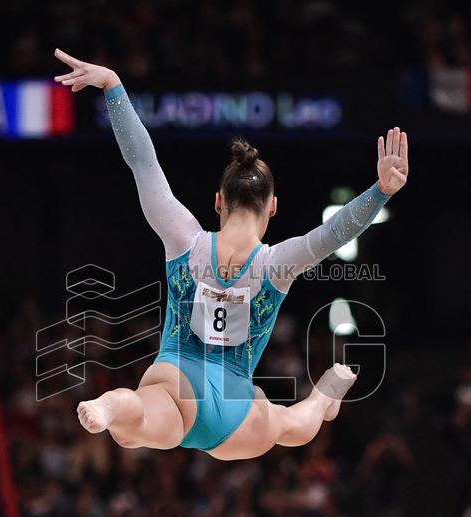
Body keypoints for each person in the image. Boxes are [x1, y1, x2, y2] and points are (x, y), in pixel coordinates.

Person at [54, 49, 409, 460]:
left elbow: (143, 162)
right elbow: (337, 231)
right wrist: (381, 190)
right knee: (294, 426)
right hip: (235, 409)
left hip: (176, 379)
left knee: (133, 427)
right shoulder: (278, 263)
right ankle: (323, 397)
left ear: (218, 201)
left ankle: (109, 406)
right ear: (272, 206)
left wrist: (113, 86)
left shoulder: (183, 238)